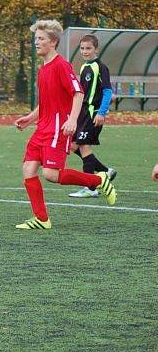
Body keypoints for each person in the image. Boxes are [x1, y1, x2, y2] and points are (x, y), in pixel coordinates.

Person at [13, 20, 117, 230]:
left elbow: (77, 92)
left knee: (50, 174)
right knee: (28, 169)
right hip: (42, 127)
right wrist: (29, 118)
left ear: (53, 42)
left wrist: (72, 120)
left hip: (57, 128)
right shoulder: (43, 69)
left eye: (40, 39)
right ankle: (42, 219)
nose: (36, 43)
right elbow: (47, 103)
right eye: (36, 39)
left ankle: (98, 181)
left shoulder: (61, 65)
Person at [68, 34, 116, 198]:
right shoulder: (84, 67)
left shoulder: (100, 67)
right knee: (72, 145)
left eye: (88, 48)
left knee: (84, 146)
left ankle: (91, 188)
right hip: (82, 113)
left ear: (96, 49)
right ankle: (104, 171)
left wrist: (101, 112)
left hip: (93, 113)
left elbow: (108, 91)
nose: (85, 51)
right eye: (82, 48)